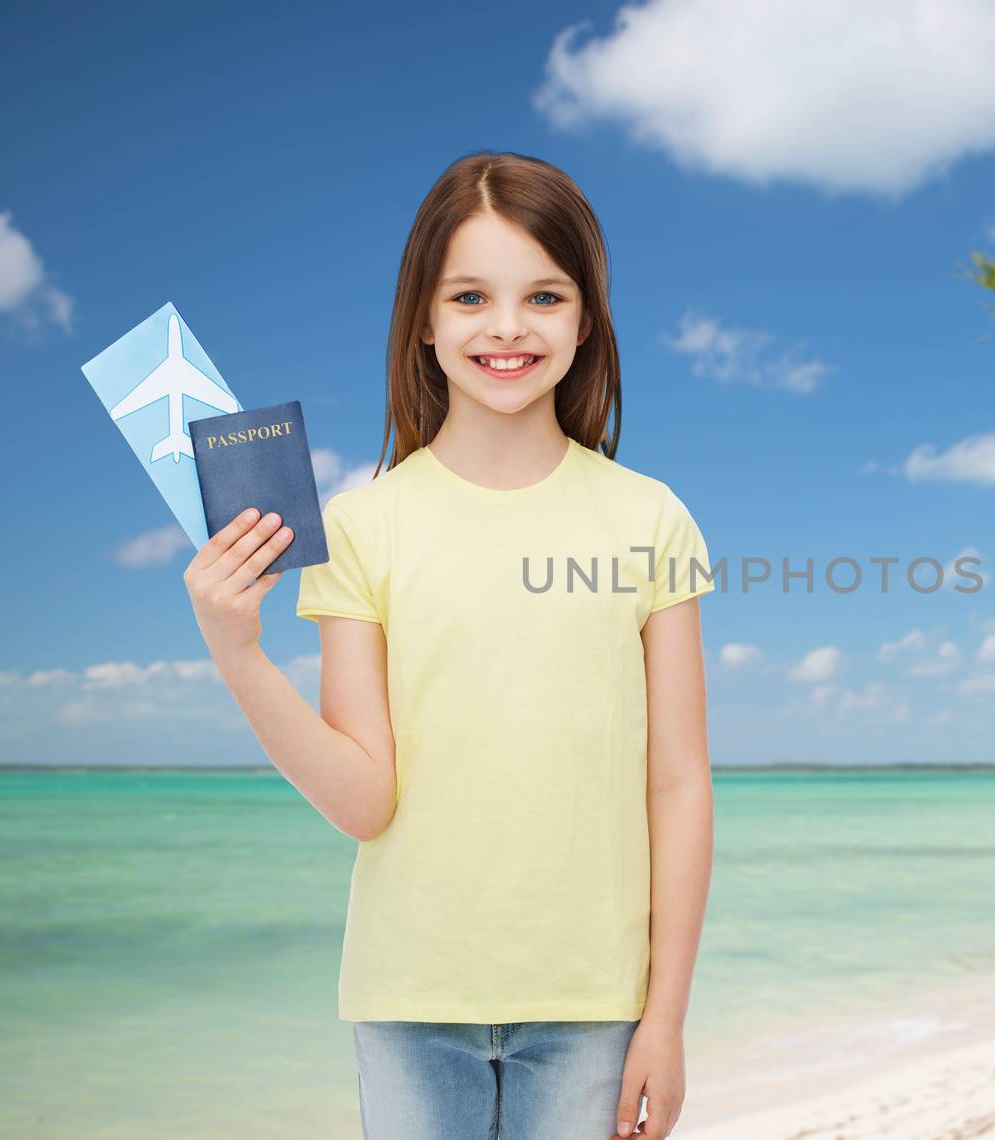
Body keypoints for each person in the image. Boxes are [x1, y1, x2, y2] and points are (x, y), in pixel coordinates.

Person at [184, 150, 716, 1140]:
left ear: (585, 319)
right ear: (424, 321)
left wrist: (667, 1016)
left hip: (595, 1003)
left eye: (543, 296)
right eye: (469, 296)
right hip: (407, 1000)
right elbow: (364, 799)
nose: (506, 327)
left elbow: (678, 781)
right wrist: (239, 654)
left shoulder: (651, 520)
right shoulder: (359, 527)